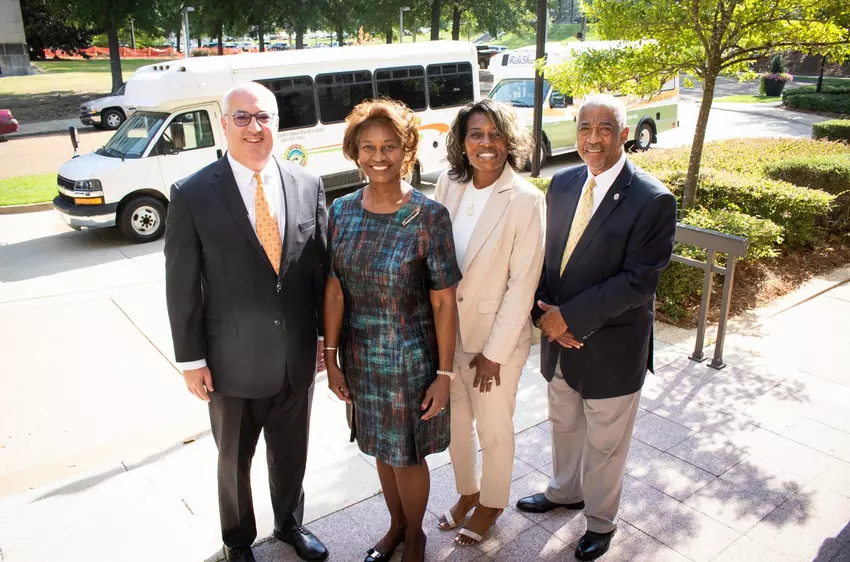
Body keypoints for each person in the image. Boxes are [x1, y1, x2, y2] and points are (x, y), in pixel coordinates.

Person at [164, 82, 329, 562]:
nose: (254, 128)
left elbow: (320, 270)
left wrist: (323, 337)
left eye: (263, 117)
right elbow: (181, 285)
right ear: (224, 124)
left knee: (292, 452)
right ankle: (237, 541)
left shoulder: (307, 183)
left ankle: (290, 524)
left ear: (277, 122)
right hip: (229, 363)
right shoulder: (192, 193)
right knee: (234, 462)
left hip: (296, 356)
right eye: (242, 117)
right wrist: (191, 360)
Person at [516, 94, 677, 561]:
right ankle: (565, 490)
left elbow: (637, 281)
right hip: (558, 341)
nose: (593, 138)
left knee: (606, 445)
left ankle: (601, 521)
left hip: (611, 348)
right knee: (564, 426)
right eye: (585, 127)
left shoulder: (652, 199)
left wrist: (568, 316)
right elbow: (546, 258)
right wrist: (543, 316)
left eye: (605, 128)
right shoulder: (563, 183)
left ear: (623, 134)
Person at [323, 99, 460, 562]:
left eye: (389, 146)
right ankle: (396, 526)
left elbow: (444, 301)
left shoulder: (429, 216)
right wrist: (331, 360)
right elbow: (335, 291)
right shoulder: (341, 211)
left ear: (407, 150)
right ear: (354, 151)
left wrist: (445, 375)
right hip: (360, 357)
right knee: (380, 448)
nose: (378, 156)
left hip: (410, 360)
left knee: (406, 453)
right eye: (368, 146)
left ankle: (415, 534)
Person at [432, 99, 545, 546]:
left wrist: (494, 354)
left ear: (509, 141)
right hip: (449, 336)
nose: (487, 143)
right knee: (456, 426)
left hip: (495, 343)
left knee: (494, 428)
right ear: (462, 142)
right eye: (476, 134)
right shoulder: (449, 182)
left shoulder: (526, 200)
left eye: (497, 134)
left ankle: (493, 502)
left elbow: (523, 283)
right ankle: (468, 492)